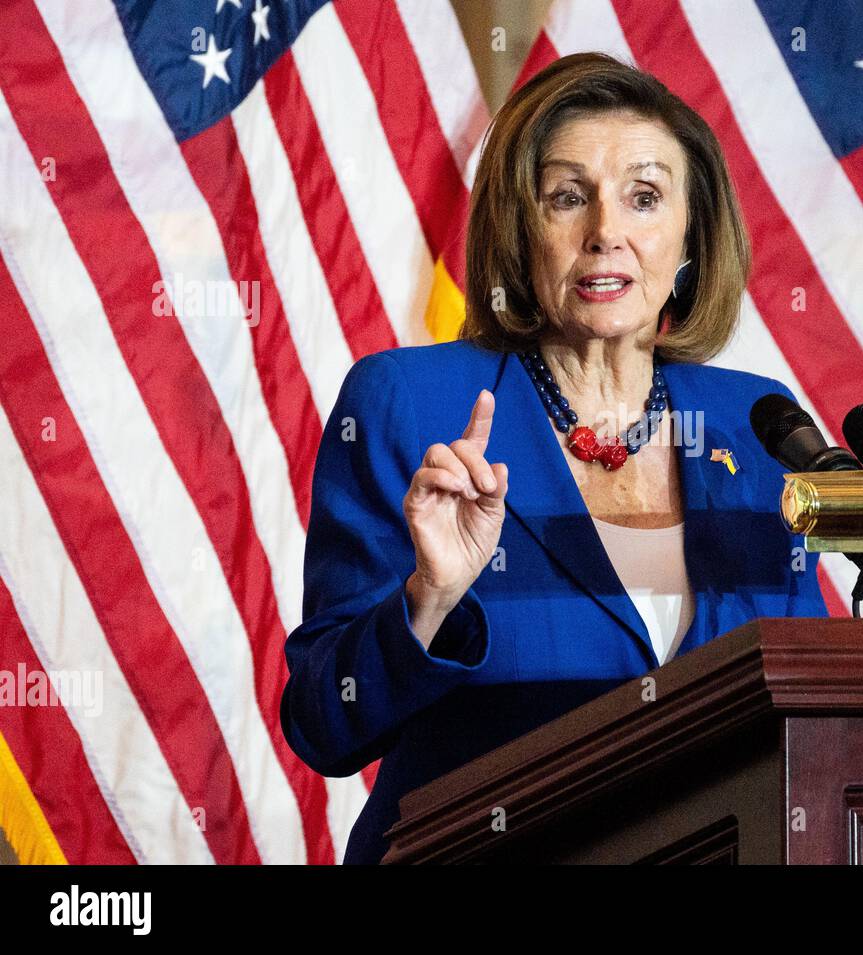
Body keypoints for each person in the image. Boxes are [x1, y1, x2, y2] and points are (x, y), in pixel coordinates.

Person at [280, 51, 829, 865]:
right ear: (520, 227)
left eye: (644, 197)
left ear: (691, 232)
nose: (606, 231)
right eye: (568, 197)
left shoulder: (752, 424)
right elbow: (325, 723)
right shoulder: (410, 404)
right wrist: (428, 597)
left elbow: (807, 701)